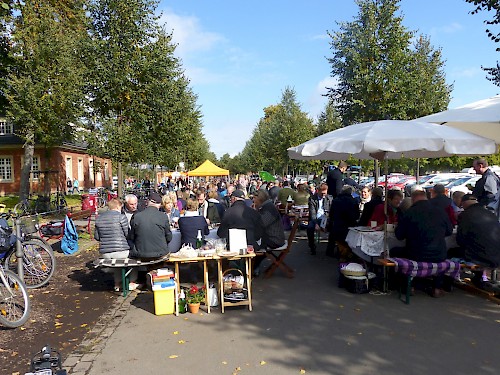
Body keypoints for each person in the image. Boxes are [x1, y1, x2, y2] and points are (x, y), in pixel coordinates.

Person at [392, 189, 453, 297]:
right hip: (439, 254)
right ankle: (437, 287)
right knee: (441, 254)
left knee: (394, 251)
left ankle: (408, 286)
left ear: (413, 199)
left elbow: (399, 236)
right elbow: (449, 231)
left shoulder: (410, 212)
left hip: (416, 254)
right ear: (426, 197)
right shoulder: (440, 211)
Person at [94, 198, 136, 291]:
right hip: (121, 250)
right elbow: (128, 234)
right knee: (133, 260)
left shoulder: (99, 218)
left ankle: (117, 284)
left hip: (105, 253)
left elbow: (97, 237)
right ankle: (132, 282)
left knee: (117, 264)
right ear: (118, 206)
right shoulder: (121, 217)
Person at [455, 194, 500, 268]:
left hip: (478, 257)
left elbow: (460, 239)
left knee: (450, 252)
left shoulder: (465, 215)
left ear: (464, 203)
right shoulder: (490, 214)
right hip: (496, 255)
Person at [128, 192, 172, 259]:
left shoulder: (137, 216)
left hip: (141, 253)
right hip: (160, 253)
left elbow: (132, 237)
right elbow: (169, 237)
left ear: (147, 202)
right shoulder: (163, 216)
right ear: (159, 205)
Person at [253, 190, 285, 274]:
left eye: (254, 198)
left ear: (259, 198)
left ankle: (253, 267)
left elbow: (262, 223)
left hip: (274, 239)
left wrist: (254, 212)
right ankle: (254, 267)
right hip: (272, 237)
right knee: (255, 242)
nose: (253, 200)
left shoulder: (268, 208)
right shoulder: (266, 206)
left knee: (253, 244)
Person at [328, 185, 360, 260]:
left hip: (337, 226)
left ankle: (335, 251)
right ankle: (348, 253)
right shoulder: (353, 201)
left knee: (335, 237)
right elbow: (357, 215)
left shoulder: (335, 200)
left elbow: (331, 215)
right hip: (349, 227)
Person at [307, 183, 332, 255]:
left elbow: (331, 211)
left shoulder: (329, 198)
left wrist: (326, 223)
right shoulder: (312, 199)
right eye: (322, 193)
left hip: (326, 218)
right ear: (318, 191)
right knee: (310, 228)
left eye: (325, 192)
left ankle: (330, 249)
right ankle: (312, 246)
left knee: (334, 228)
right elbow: (313, 213)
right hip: (316, 218)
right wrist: (316, 224)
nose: (324, 194)